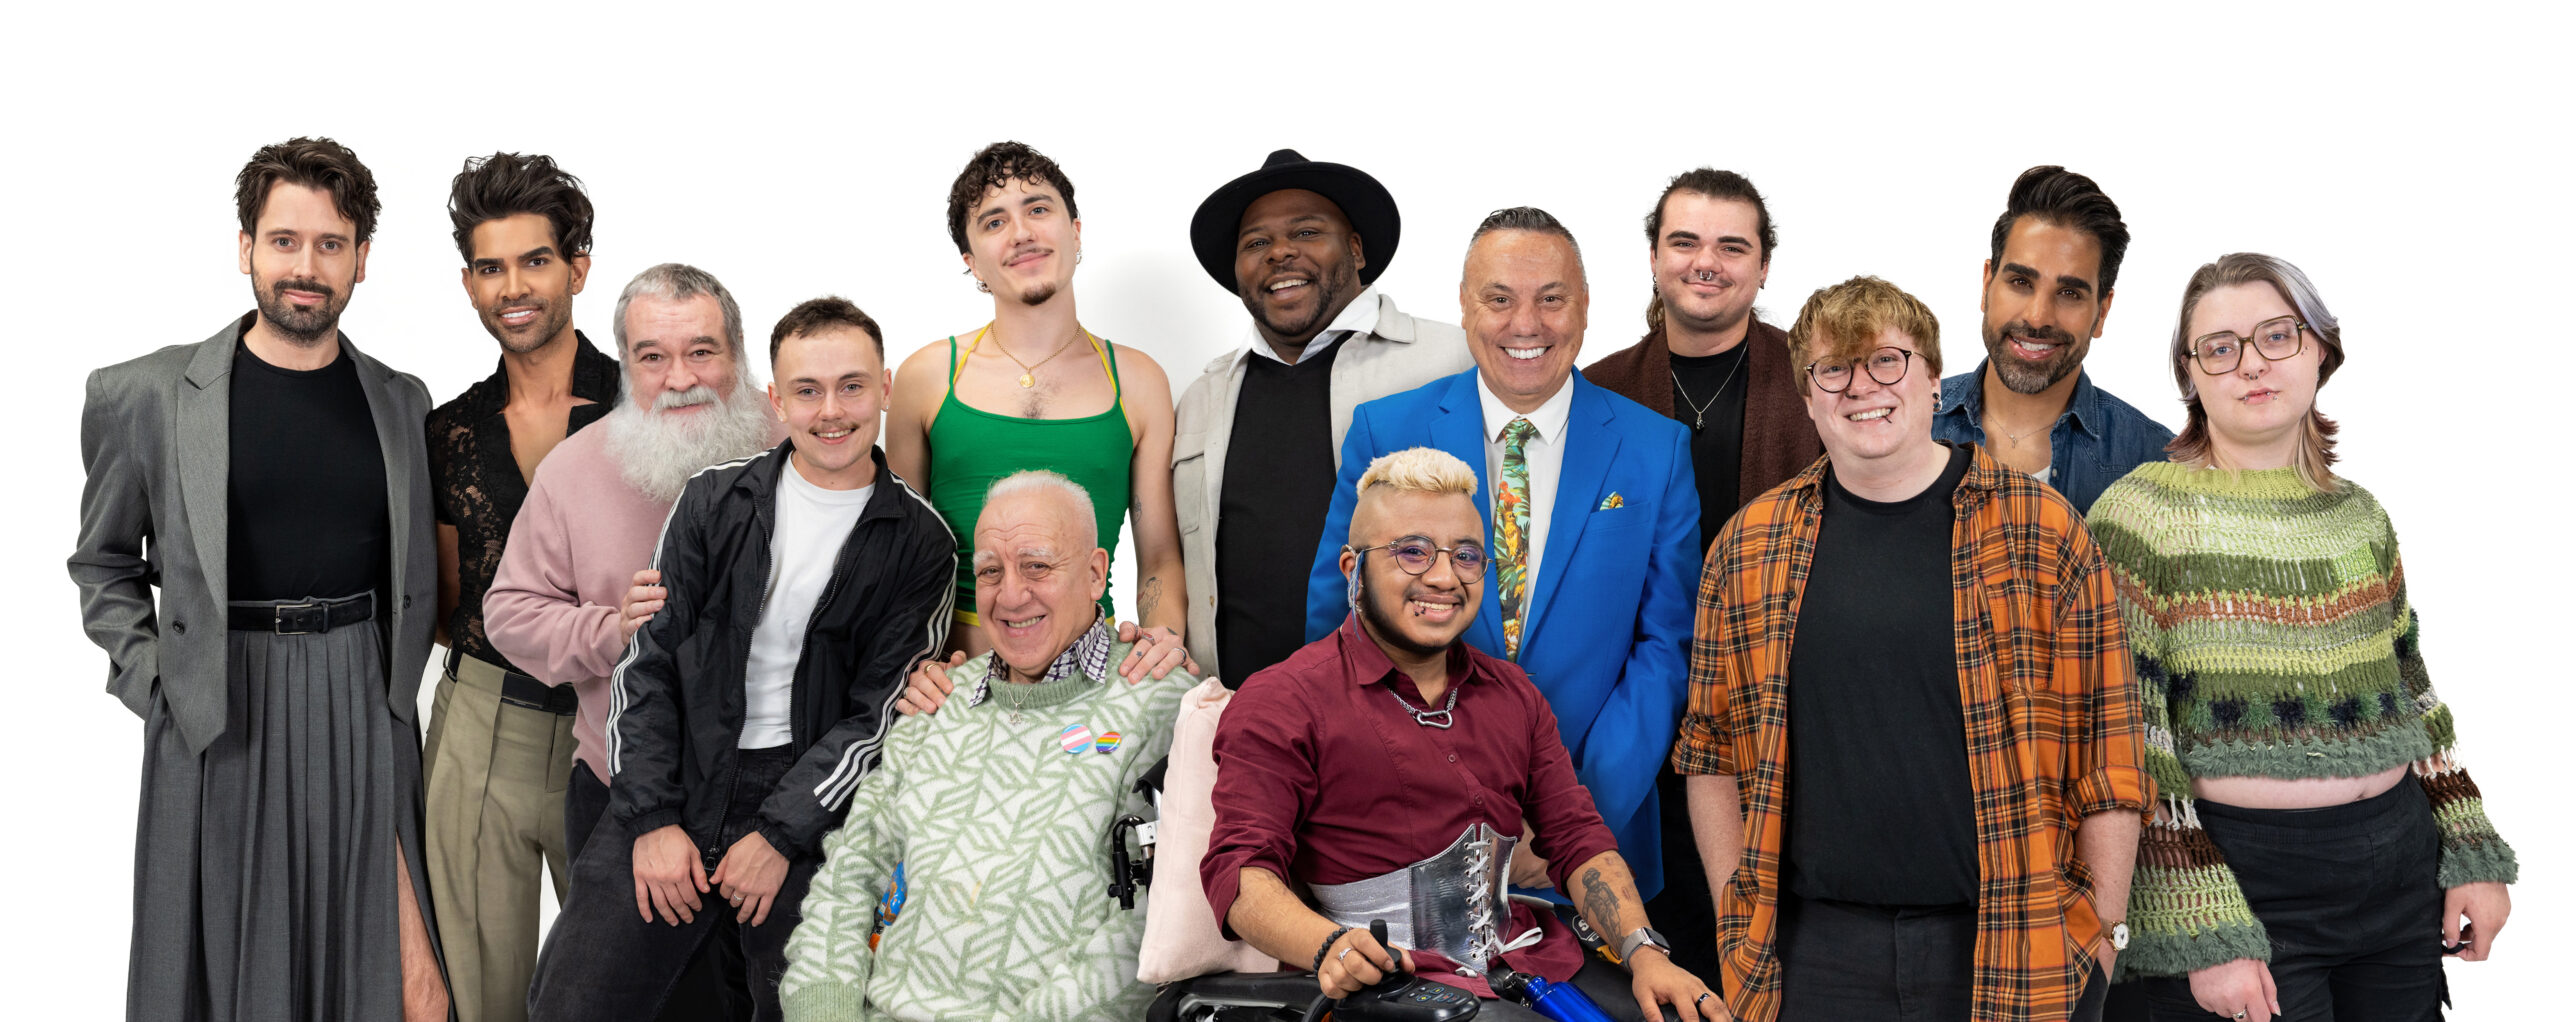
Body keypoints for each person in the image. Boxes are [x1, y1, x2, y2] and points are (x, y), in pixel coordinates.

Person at [1679, 276, 2148, 1021]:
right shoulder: (1749, 547)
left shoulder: (2044, 532)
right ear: (1808, 397)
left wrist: (2101, 939)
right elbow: (1708, 752)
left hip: (2011, 944)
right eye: (1833, 369)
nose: (1861, 387)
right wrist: (1738, 917)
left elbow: (2110, 752)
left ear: (1934, 379)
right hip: (1810, 956)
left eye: (1888, 362)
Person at [70, 136, 448, 1021]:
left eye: (329, 244)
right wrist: (157, 681)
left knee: (391, 978)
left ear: (361, 259)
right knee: (216, 972)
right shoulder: (148, 395)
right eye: (284, 241)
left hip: (362, 699)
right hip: (217, 705)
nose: (305, 267)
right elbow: (102, 561)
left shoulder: (401, 401)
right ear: (246, 248)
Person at [2087, 253, 2516, 1022]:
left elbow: (2412, 691)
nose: (2250, 364)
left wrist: (2469, 843)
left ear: (2320, 348)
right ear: (2191, 376)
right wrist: (2200, 924)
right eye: (2219, 347)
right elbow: (2126, 744)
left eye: (2276, 336)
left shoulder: (2361, 516)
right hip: (2245, 882)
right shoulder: (2139, 519)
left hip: (2398, 880)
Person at [527, 297, 955, 1021]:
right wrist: (655, 820)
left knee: (810, 1008)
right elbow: (646, 667)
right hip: (681, 781)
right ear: (775, 400)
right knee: (570, 1004)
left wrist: (781, 834)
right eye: (807, 391)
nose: (831, 412)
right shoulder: (714, 500)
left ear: (884, 388)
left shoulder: (921, 541)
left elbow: (878, 719)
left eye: (851, 386)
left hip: (813, 802)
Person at [1214, 447, 1724, 1022]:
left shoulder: (1513, 694)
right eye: (1412, 552)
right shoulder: (1282, 700)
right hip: (1391, 988)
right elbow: (1241, 873)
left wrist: (1644, 953)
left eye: (1465, 555)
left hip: (1531, 960)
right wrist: (1328, 946)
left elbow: (1577, 837)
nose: (1443, 576)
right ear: (1352, 568)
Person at [1305, 208, 1701, 907]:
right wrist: (1436, 800)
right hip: (1409, 839)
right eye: (1500, 298)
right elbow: (1339, 630)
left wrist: (1570, 818)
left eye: (1551, 298)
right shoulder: (1385, 430)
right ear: (1464, 306)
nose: (1527, 324)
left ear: (1584, 308)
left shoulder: (1655, 449)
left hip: (1592, 847)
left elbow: (1665, 647)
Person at [781, 471, 1189, 1021]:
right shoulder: (936, 704)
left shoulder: (1162, 705)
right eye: (991, 571)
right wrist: (824, 1013)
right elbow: (849, 877)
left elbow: (1157, 921)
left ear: (1096, 574)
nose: (1011, 595)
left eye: (1037, 565)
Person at [1579, 166, 1821, 979]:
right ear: (1654, 257)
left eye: (1731, 245)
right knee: (1651, 948)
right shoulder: (1599, 390)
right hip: (1634, 717)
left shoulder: (1814, 381)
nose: (1705, 262)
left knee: (1766, 954)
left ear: (1762, 266)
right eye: (1684, 242)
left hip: (1776, 718)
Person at [483, 262, 777, 862]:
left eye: (702, 352)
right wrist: (611, 630)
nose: (679, 379)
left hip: (773, 795)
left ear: (738, 353)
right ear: (624, 365)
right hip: (622, 788)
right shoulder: (572, 469)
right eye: (652, 358)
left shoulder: (797, 441)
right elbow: (509, 615)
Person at [421, 151, 617, 1022]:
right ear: (469, 282)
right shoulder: (450, 430)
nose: (513, 287)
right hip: (481, 728)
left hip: (618, 727)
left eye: (534, 260)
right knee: (480, 995)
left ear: (576, 266)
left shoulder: (646, 401)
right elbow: (447, 601)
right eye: (491, 267)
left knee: (619, 987)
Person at [1173, 148, 1472, 685]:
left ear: (1356, 249)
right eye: (1256, 243)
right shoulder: (1202, 398)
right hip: (1235, 719)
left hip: (1412, 715)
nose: (1279, 253)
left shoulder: (1454, 360)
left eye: (1307, 232)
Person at [885, 140, 1186, 664]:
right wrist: (909, 668)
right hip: (952, 686)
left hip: (1095, 684)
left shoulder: (1138, 381)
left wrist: (1160, 648)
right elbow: (894, 554)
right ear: (971, 261)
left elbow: (1158, 553)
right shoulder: (928, 377)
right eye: (994, 222)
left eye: (1039, 210)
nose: (1022, 233)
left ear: (1074, 232)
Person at [1933, 166, 2172, 514]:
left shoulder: (2156, 464)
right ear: (1987, 285)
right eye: (2020, 282)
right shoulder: (1911, 422)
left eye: (2070, 292)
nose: (2038, 317)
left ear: (2101, 312)